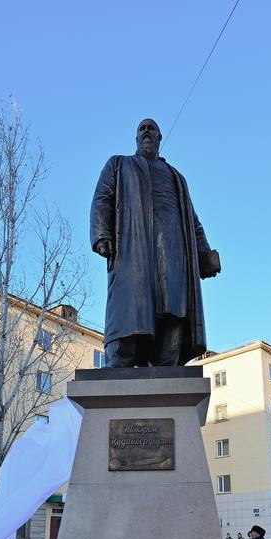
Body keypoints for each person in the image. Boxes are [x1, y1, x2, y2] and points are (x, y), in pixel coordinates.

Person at [90, 118, 219, 367]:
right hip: (133, 249)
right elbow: (102, 198)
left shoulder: (177, 178)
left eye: (152, 129)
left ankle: (167, 368)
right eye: (142, 128)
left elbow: (193, 222)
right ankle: (119, 366)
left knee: (174, 310)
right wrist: (101, 233)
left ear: (159, 138)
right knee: (129, 310)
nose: (147, 131)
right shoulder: (119, 164)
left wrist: (204, 255)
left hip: (174, 253)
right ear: (136, 138)